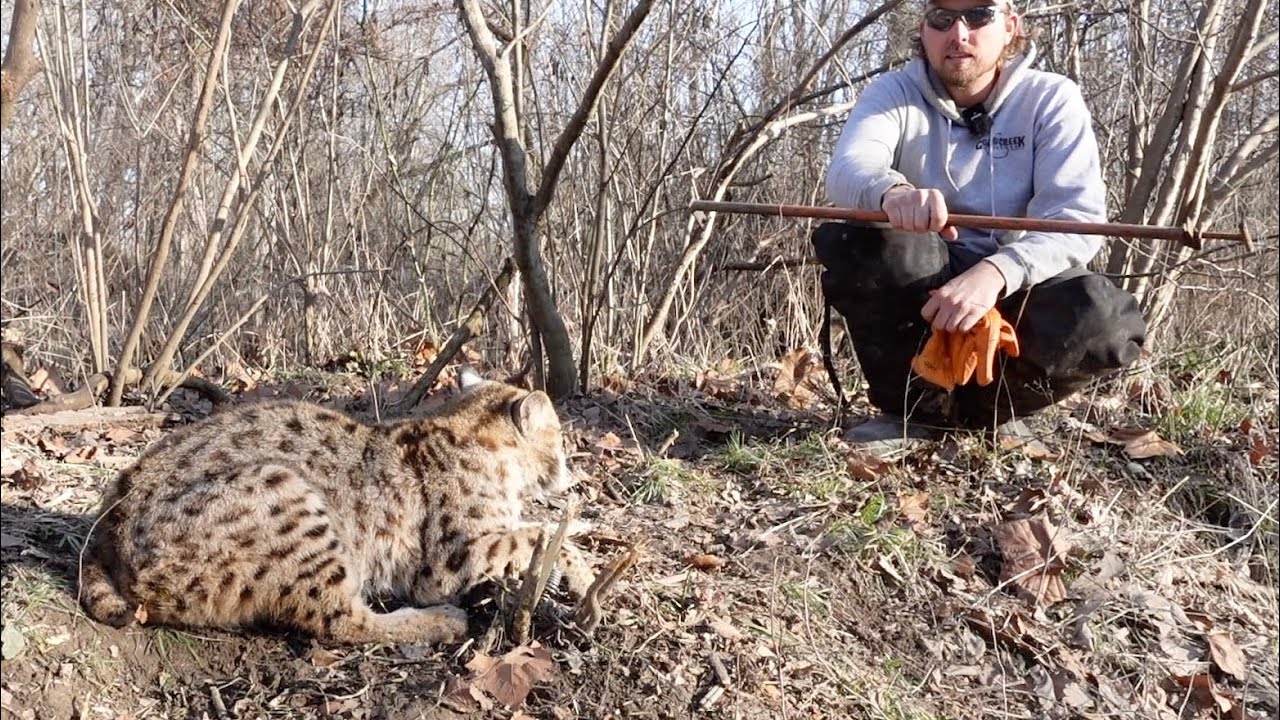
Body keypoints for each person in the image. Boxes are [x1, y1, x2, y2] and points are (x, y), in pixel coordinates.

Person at [817, 0, 1146, 440]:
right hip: (925, 283)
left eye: (977, 16)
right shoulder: (892, 93)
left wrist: (998, 272)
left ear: (1010, 26)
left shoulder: (1051, 98)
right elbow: (849, 168)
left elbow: (1075, 216)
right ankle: (914, 414)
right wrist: (893, 192)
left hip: (1018, 283)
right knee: (869, 243)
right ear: (924, 29)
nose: (958, 33)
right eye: (942, 18)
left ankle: (991, 417)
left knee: (1103, 317)